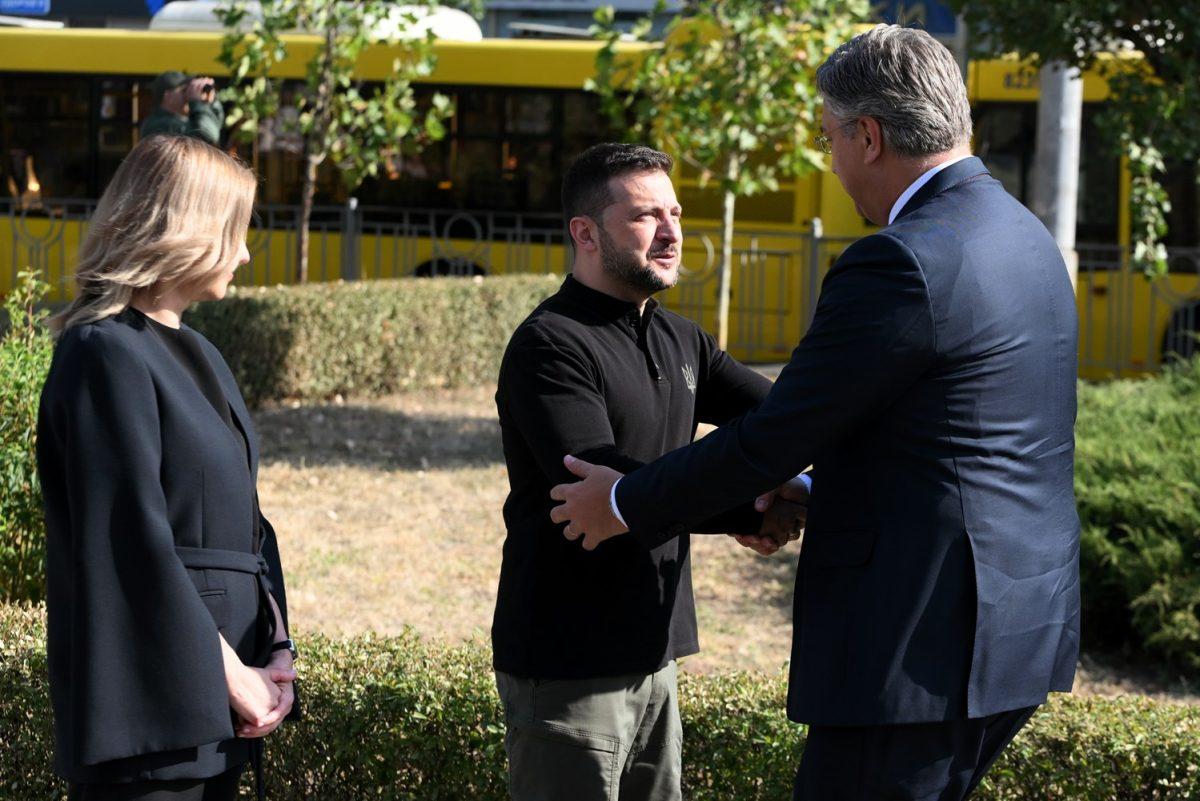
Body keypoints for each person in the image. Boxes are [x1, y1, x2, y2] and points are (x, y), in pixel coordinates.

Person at [549, 25, 1080, 801]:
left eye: (830, 137)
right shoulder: (1023, 235)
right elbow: (957, 437)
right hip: (1015, 623)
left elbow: (775, 435)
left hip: (920, 647)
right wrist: (810, 489)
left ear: (868, 136)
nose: (832, 161)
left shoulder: (900, 258)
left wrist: (624, 502)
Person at [492, 142, 808, 801]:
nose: (670, 232)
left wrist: (800, 486)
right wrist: (754, 508)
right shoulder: (550, 344)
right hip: (568, 664)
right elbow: (606, 489)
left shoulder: (681, 337)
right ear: (585, 232)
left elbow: (788, 420)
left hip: (655, 654)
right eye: (644, 216)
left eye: (676, 212)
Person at [37, 135, 298, 801]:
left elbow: (246, 525)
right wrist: (229, 673)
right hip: (154, 720)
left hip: (222, 710)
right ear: (186, 230)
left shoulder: (202, 353)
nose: (243, 253)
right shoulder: (103, 352)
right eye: (236, 232)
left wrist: (276, 646)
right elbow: (129, 543)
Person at [140, 71, 225, 146]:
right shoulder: (158, 125)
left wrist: (211, 102)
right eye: (184, 90)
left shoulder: (184, 120)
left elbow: (216, 127)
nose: (188, 95)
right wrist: (198, 103)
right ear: (168, 96)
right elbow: (209, 136)